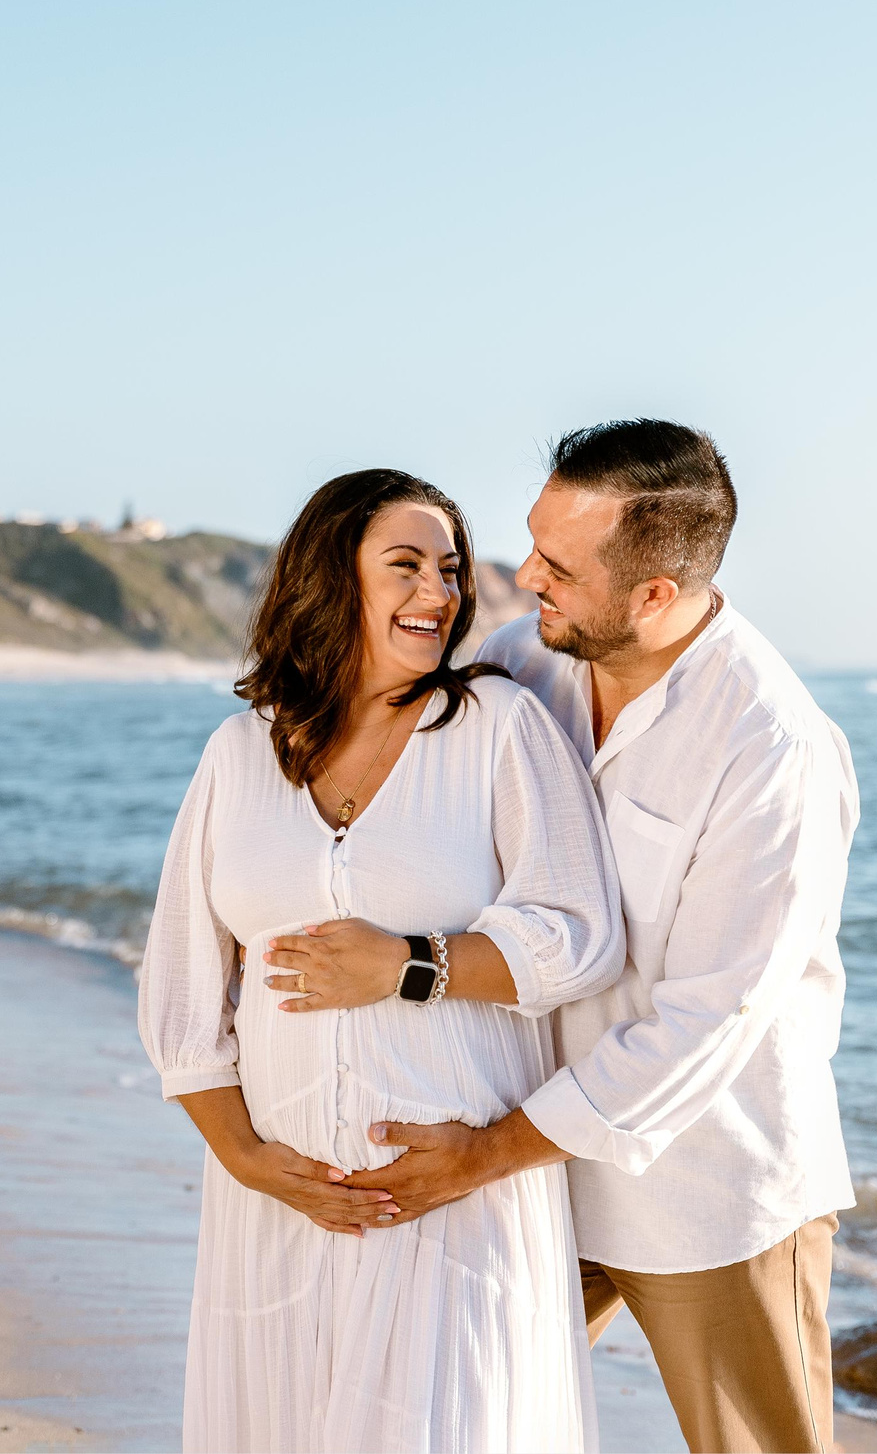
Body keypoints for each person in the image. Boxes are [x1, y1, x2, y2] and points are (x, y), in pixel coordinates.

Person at [267, 421, 860, 1453]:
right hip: (517, 1174)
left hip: (701, 1185)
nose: (521, 574)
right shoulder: (513, 669)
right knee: (445, 1423)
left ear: (655, 597)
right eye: (532, 542)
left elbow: (707, 1020)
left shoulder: (771, 746)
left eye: (558, 565)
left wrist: (484, 1156)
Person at [138, 468, 627, 1453]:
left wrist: (410, 964)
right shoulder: (240, 754)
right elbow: (182, 995)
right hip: (280, 1209)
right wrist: (252, 1164)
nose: (437, 593)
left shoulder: (495, 728)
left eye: (447, 570)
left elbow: (579, 937)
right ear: (332, 579)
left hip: (451, 1197)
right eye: (402, 566)